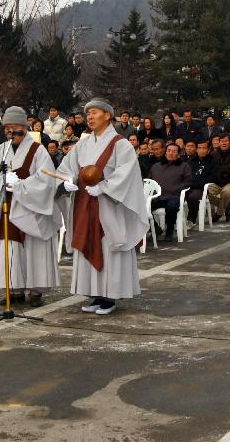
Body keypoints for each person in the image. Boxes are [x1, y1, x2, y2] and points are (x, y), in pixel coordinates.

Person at [55, 97, 146, 315]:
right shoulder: (83, 144)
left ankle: (110, 296)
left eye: (94, 112)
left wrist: (105, 187)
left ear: (107, 115)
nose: (90, 117)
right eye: (88, 114)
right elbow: (67, 167)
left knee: (108, 246)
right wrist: (66, 182)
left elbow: (127, 173)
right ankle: (95, 293)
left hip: (109, 204)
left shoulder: (121, 144)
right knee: (88, 240)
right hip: (84, 203)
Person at [0, 106, 60, 306]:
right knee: (10, 247)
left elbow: (46, 179)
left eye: (14, 127)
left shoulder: (38, 151)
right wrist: (1, 181)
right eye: (6, 127)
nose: (9, 131)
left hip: (32, 207)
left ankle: (36, 291)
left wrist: (21, 185)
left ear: (24, 127)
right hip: (8, 205)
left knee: (34, 248)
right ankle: (14, 289)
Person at [149, 143, 192, 242]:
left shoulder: (184, 166)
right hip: (157, 197)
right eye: (168, 150)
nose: (170, 153)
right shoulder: (156, 166)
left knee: (171, 207)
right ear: (165, 152)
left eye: (174, 151)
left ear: (179, 154)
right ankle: (155, 229)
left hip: (173, 196)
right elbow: (149, 181)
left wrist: (176, 189)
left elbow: (188, 182)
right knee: (139, 208)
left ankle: (169, 231)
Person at [208, 135, 230, 222]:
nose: (224, 143)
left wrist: (220, 169)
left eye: (226, 141)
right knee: (205, 192)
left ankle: (219, 213)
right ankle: (226, 206)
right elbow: (212, 169)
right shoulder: (214, 154)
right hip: (217, 182)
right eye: (222, 141)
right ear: (219, 143)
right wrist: (223, 170)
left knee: (226, 192)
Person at [185, 139, 219, 223]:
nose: (201, 150)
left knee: (193, 197)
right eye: (199, 148)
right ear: (196, 149)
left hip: (203, 188)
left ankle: (191, 220)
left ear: (208, 150)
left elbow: (214, 177)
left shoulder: (213, 161)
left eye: (204, 148)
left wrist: (196, 183)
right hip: (190, 186)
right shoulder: (191, 161)